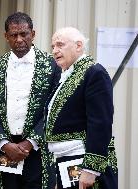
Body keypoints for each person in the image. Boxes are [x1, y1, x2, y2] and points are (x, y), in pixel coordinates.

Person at [0, 12, 60, 189]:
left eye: (24, 34)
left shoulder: (51, 65)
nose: (19, 39)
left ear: (33, 34)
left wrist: (31, 142)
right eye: (13, 35)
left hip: (38, 151)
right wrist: (4, 143)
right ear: (6, 37)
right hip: (6, 151)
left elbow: (54, 109)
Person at [46, 27, 118, 189]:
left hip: (83, 163)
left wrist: (91, 169)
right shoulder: (66, 75)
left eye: (60, 45)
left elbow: (101, 122)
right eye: (53, 47)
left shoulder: (94, 72)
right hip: (65, 161)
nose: (55, 50)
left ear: (78, 46)